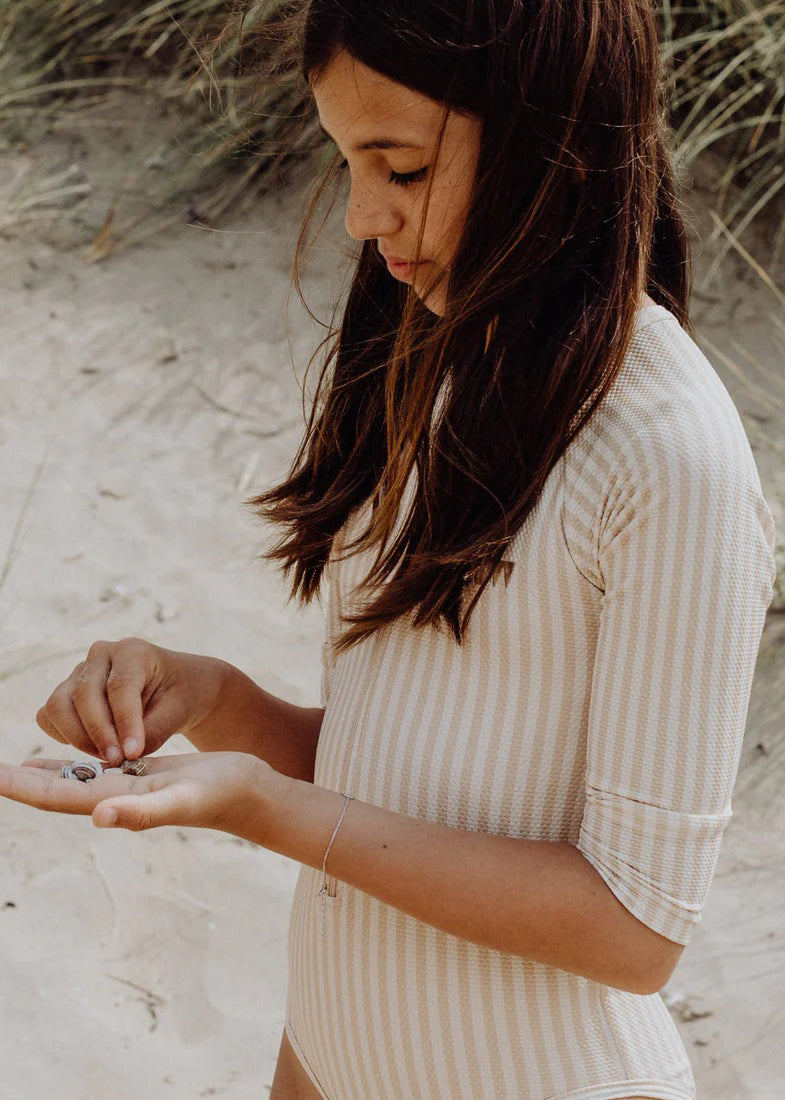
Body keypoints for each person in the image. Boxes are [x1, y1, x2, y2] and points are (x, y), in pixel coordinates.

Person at [0, 1, 777, 1097]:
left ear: (550, 135)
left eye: (400, 167)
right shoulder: (432, 347)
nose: (362, 215)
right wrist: (214, 699)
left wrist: (266, 809)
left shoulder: (668, 456)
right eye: (346, 159)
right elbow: (406, 782)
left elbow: (631, 924)